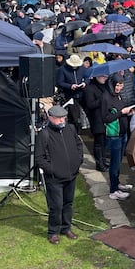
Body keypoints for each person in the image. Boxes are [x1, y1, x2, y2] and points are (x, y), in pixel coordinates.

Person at [34, 105, 85, 244]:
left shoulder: (70, 128)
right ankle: (53, 232)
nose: (62, 120)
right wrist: (52, 170)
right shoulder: (44, 134)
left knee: (68, 203)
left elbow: (79, 145)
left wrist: (78, 160)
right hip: (54, 179)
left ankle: (66, 228)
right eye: (59, 118)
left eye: (64, 117)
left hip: (71, 175)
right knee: (56, 206)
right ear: (50, 118)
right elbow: (39, 158)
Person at [100, 73, 135, 200]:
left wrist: (129, 112)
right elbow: (105, 118)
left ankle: (117, 183)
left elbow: (120, 111)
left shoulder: (118, 95)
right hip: (114, 135)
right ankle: (113, 190)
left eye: (121, 85)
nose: (119, 88)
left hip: (122, 133)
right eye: (117, 85)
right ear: (112, 84)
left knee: (119, 161)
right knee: (114, 163)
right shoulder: (105, 97)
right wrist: (121, 112)